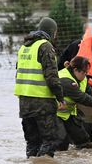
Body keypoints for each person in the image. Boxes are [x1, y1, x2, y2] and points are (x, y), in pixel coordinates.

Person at [14, 17, 66, 158]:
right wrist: (60, 98)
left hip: (24, 102)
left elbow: (17, 74)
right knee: (50, 140)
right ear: (52, 32)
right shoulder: (46, 46)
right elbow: (52, 77)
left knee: (32, 143)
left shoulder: (24, 47)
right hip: (42, 103)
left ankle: (31, 161)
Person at [58, 27, 92, 142]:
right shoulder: (76, 46)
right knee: (64, 137)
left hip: (89, 92)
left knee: (85, 134)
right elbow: (59, 64)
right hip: (67, 91)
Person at [55, 56, 92, 151]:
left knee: (84, 142)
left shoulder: (81, 77)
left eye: (86, 72)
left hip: (68, 115)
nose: (85, 75)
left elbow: (90, 91)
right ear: (76, 70)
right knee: (62, 144)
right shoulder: (65, 79)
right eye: (84, 72)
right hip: (55, 115)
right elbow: (82, 97)